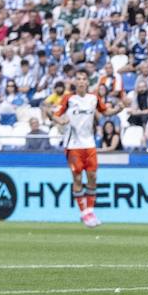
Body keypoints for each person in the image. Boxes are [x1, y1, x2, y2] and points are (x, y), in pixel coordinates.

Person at [50, 72, 109, 228]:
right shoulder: (69, 99)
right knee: (77, 179)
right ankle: (84, 212)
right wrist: (60, 120)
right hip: (73, 145)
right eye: (79, 79)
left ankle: (90, 210)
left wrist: (119, 108)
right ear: (75, 82)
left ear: (87, 82)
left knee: (93, 177)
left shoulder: (93, 98)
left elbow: (106, 112)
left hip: (89, 144)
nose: (81, 82)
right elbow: (56, 115)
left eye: (84, 79)